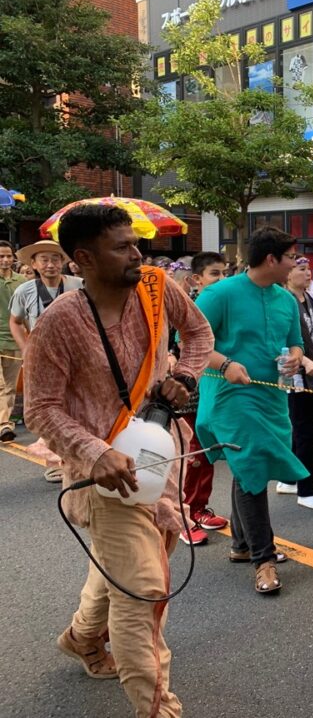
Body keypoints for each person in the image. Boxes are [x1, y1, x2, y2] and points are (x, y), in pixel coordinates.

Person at [24, 203, 213, 717]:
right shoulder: (58, 322)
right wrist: (94, 451)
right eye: (123, 246)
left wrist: (188, 376)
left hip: (159, 453)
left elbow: (198, 335)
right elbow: (38, 408)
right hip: (106, 477)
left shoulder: (155, 286)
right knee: (144, 591)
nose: (139, 253)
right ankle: (159, 710)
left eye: (136, 243)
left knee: (126, 567)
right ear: (82, 259)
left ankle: (83, 638)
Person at [195, 226, 311, 595]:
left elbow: (294, 343)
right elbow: (191, 341)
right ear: (272, 259)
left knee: (248, 467)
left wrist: (295, 359)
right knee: (252, 465)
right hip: (230, 395)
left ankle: (241, 545)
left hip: (272, 396)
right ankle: (264, 558)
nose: (297, 263)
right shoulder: (219, 293)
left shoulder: (286, 300)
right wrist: (225, 363)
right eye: (291, 257)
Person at [10, 239, 85, 481]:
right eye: (44, 259)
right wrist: (26, 349)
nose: (50, 264)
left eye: (55, 259)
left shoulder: (79, 285)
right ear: (33, 263)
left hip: (77, 355)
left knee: (77, 407)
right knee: (49, 410)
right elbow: (16, 321)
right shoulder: (25, 291)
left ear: (63, 262)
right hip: (42, 358)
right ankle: (55, 461)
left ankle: (77, 458)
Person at [275, 257, 313, 509]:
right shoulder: (282, 300)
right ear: (288, 275)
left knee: (299, 426)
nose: (308, 274)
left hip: (311, 368)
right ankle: (306, 490)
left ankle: (289, 479)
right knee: (305, 429)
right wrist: (304, 362)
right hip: (294, 373)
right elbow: (280, 340)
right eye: (301, 269)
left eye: (308, 269)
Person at [176, 252, 229, 540]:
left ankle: (199, 507)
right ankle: (184, 515)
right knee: (191, 453)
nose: (221, 279)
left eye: (224, 273)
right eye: (214, 274)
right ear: (196, 279)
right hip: (190, 390)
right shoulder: (190, 306)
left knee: (206, 450)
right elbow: (184, 344)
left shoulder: (223, 304)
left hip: (213, 389)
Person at [0, 240, 26, 442]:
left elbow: (25, 314)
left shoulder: (21, 283)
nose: (5, 260)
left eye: (8, 256)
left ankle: (5, 424)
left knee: (9, 387)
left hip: (14, 341)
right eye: (1, 256)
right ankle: (4, 425)